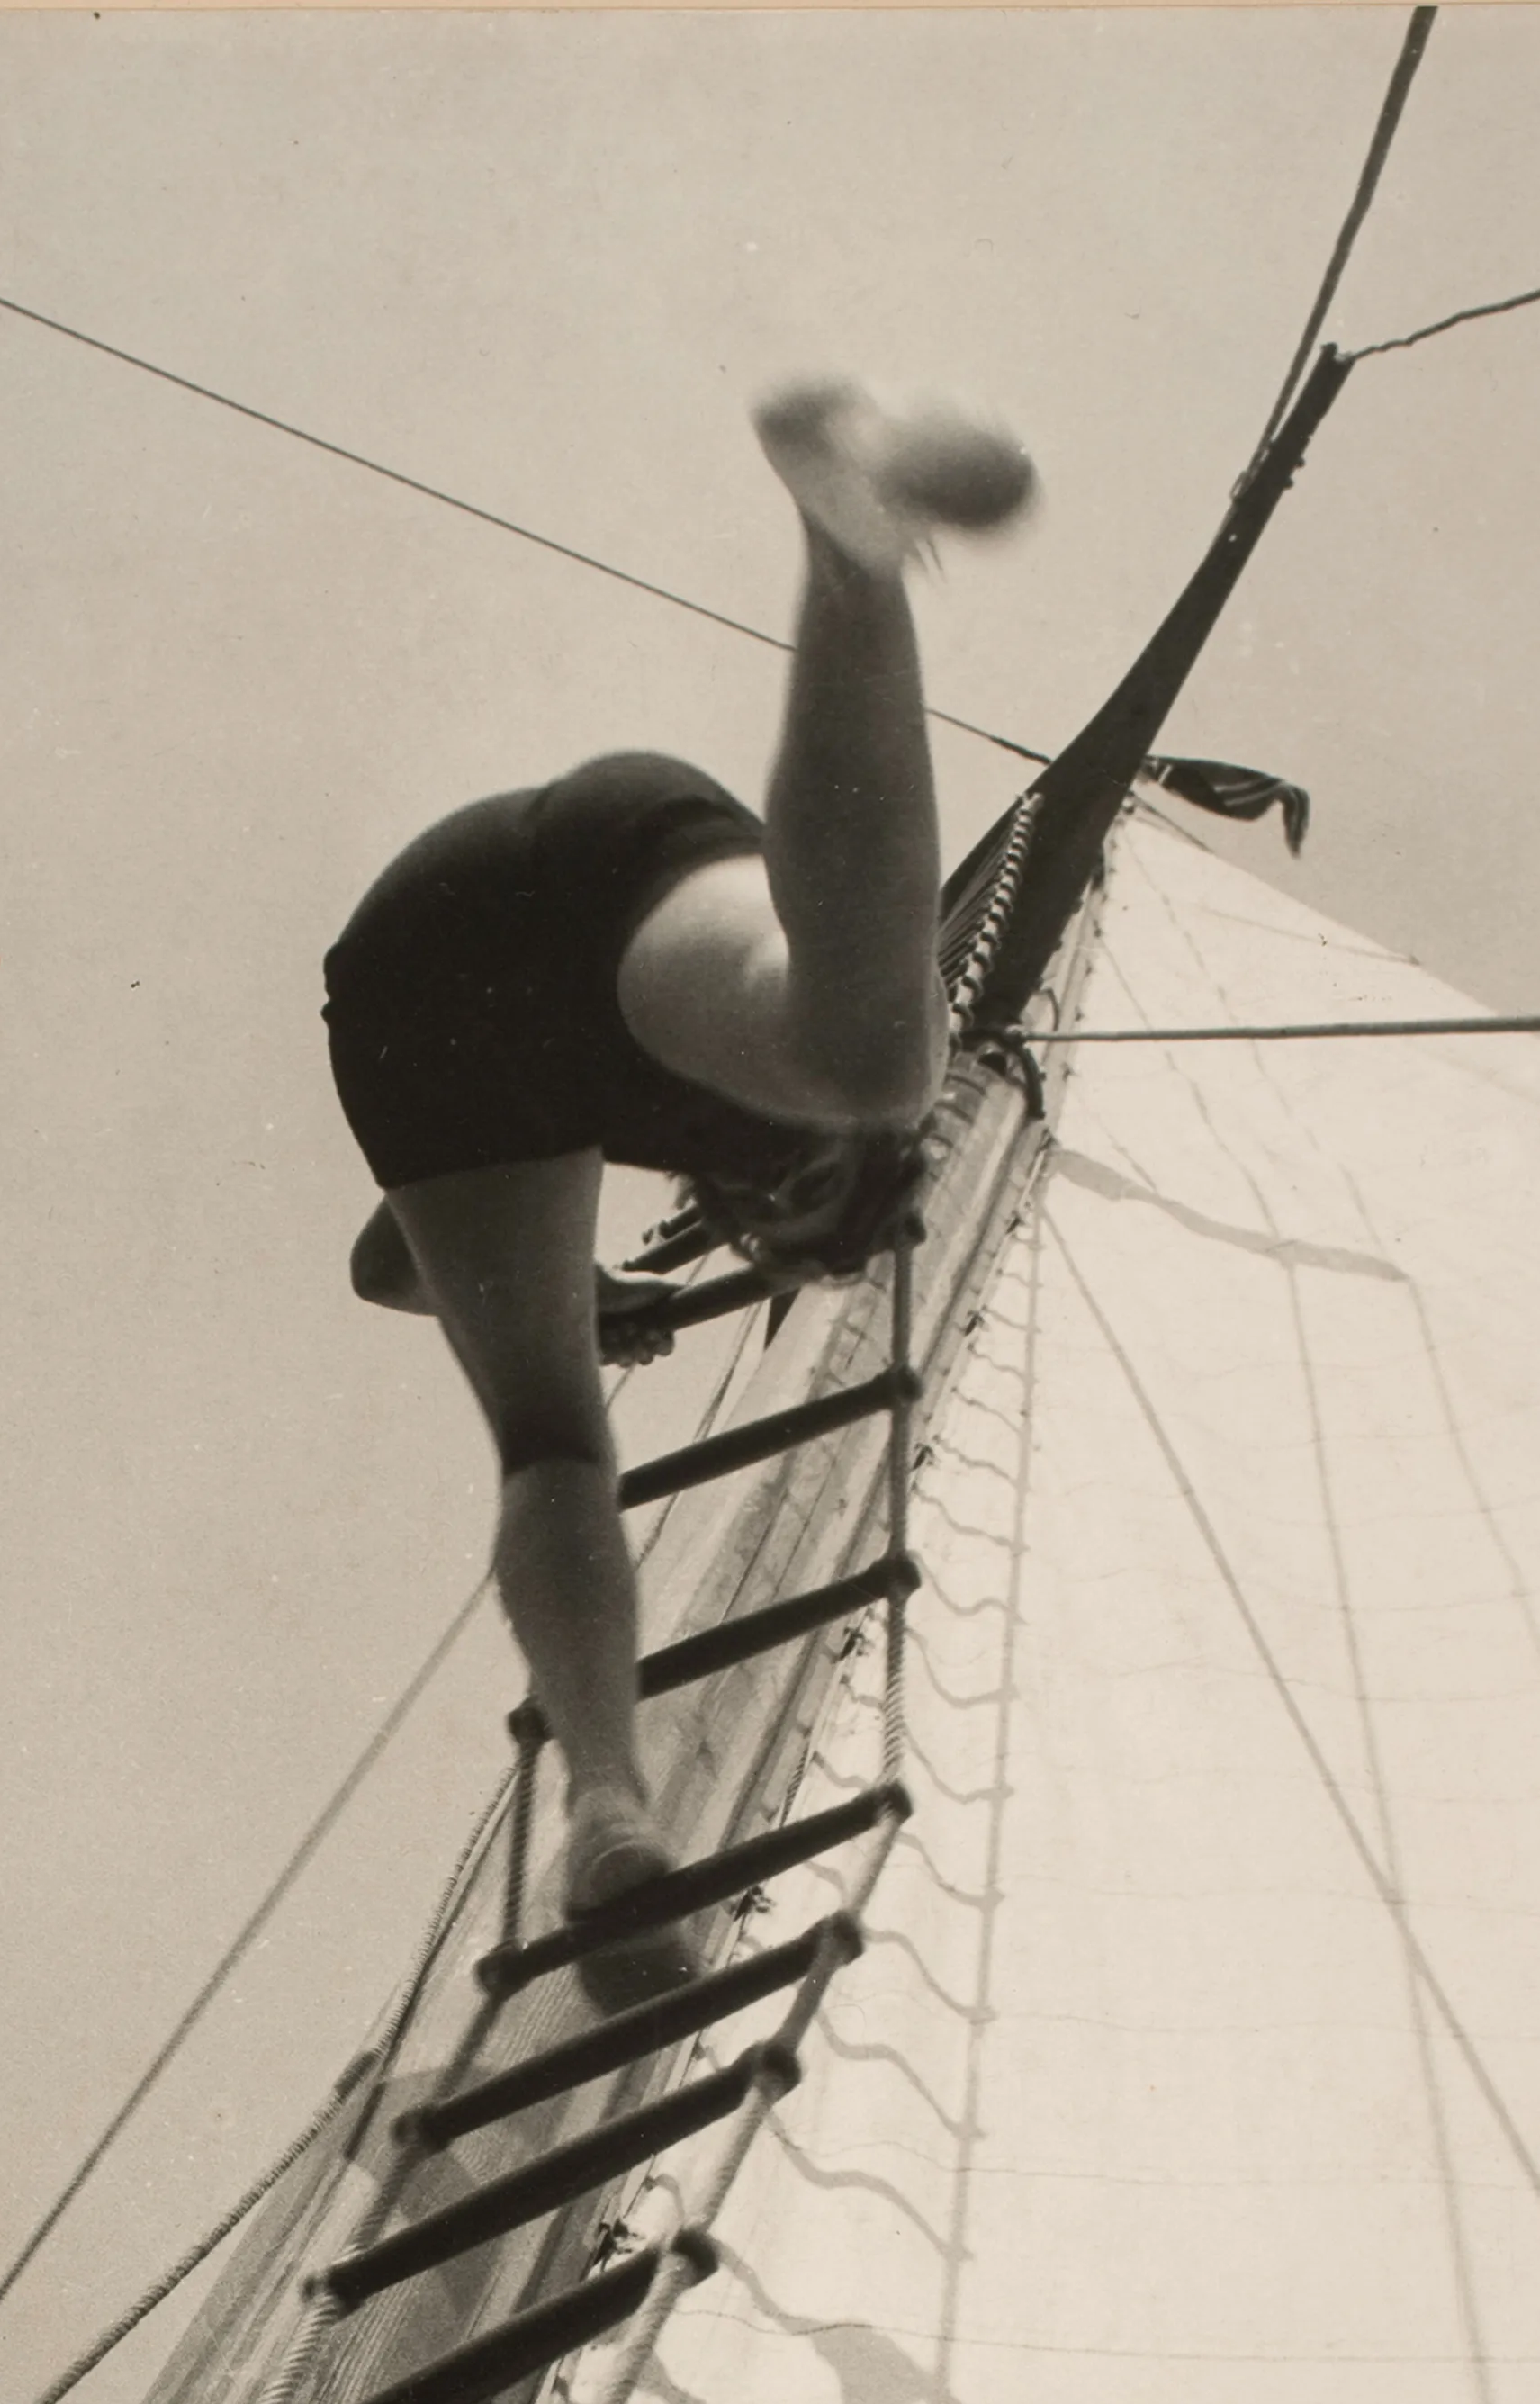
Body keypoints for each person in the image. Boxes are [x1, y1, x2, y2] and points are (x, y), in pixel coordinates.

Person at [327, 379, 1034, 1976]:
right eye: (801, 1232)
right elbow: (847, 1064)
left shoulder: (645, 1136)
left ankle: (608, 1804)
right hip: (599, 882)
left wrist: (574, 1288)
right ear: (831, 1196)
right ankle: (853, 555)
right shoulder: (843, 1079)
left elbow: (388, 1257)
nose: (764, 1240)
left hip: (421, 971)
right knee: (875, 1054)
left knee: (548, 1430)